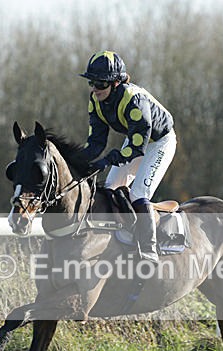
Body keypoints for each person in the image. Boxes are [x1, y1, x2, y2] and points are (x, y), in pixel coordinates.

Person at [80, 50, 176, 263]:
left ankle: (149, 251)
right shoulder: (95, 101)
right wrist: (78, 161)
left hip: (159, 143)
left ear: (116, 83)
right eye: (92, 83)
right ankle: (118, 244)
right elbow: (95, 143)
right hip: (135, 141)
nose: (95, 89)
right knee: (109, 189)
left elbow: (137, 147)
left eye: (101, 84)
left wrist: (107, 160)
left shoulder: (134, 99)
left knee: (138, 193)